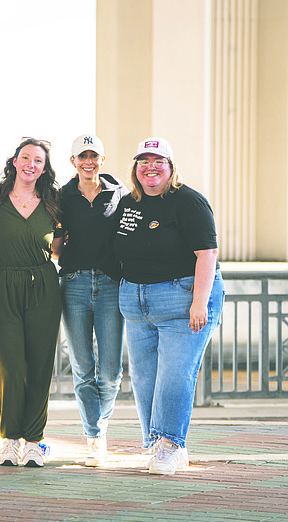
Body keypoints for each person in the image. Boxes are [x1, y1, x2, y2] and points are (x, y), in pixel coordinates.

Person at [114, 137, 224, 476]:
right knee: (146, 378)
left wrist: (199, 303)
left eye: (158, 160)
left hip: (182, 299)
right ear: (135, 169)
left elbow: (206, 254)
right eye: (143, 161)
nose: (150, 167)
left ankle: (170, 446)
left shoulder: (188, 202)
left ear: (171, 167)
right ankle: (161, 442)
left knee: (175, 375)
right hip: (137, 303)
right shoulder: (128, 203)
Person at [0, 137, 63, 468]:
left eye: (38, 160)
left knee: (40, 365)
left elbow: (61, 248)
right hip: (1, 284)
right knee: (11, 365)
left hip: (44, 286)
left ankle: (34, 441)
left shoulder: (55, 202)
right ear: (14, 161)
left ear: (44, 168)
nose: (31, 163)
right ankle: (10, 439)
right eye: (26, 157)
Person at [54, 135, 128, 467]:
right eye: (82, 156)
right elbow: (54, 243)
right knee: (84, 369)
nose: (88, 161)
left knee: (111, 371)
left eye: (94, 156)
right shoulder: (62, 197)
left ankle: (99, 425)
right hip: (74, 284)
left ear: (102, 158)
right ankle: (95, 437)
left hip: (111, 284)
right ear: (73, 161)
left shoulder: (120, 193)